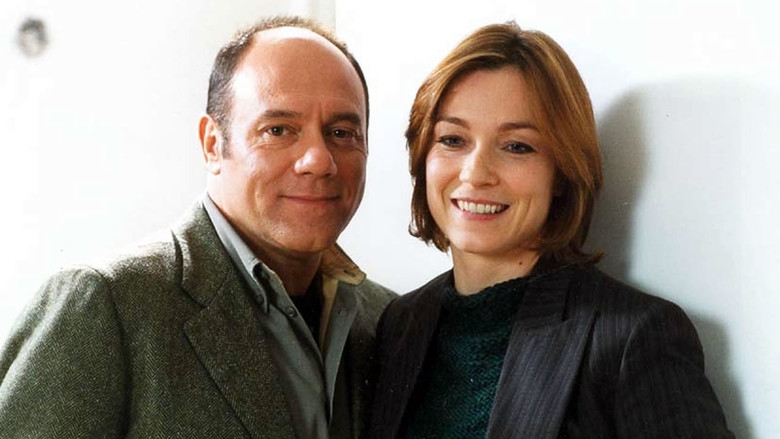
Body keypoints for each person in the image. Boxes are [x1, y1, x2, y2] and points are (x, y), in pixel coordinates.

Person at [0, 15, 395, 438]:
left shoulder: (388, 320)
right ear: (212, 144)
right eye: (278, 130)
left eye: (342, 132)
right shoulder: (107, 304)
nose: (318, 160)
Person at [369, 22, 733, 438]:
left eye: (517, 146)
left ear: (561, 172)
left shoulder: (634, 336)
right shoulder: (400, 323)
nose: (475, 173)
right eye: (452, 140)